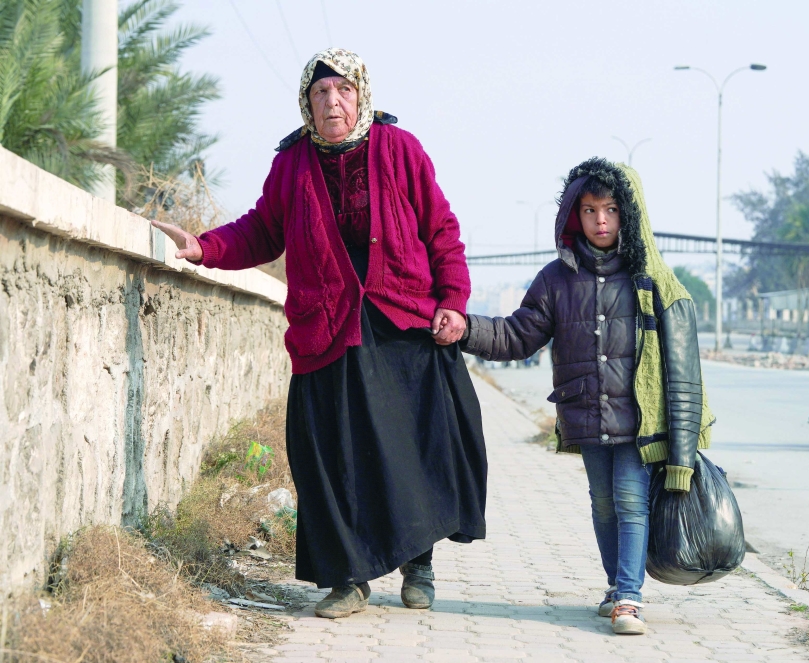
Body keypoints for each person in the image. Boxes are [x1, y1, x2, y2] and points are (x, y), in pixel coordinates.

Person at [152, 48, 487, 619]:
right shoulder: (293, 164)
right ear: (307, 103)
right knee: (334, 454)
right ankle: (347, 578)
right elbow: (261, 230)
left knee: (409, 452)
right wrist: (204, 247)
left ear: (361, 95)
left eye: (343, 92)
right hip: (327, 327)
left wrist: (453, 301)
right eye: (320, 94)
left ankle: (419, 566)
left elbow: (442, 230)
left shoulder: (401, 150)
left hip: (400, 324)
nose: (333, 103)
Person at [461, 158, 713, 635]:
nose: (601, 220)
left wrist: (681, 451)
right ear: (573, 216)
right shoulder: (557, 280)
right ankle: (617, 587)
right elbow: (518, 335)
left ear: (628, 214)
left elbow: (683, 374)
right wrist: (465, 328)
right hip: (586, 414)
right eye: (590, 209)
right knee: (602, 502)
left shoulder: (652, 281)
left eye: (611, 209)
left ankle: (629, 598)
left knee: (630, 499)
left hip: (641, 421)